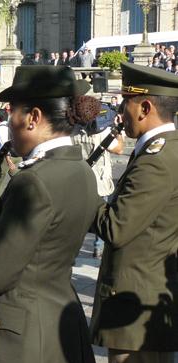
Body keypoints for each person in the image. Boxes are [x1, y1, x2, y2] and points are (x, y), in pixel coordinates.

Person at [0, 65, 99, 363]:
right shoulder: (81, 170)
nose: (8, 121)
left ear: (34, 118)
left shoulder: (32, 181)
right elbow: (36, 252)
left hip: (26, 333)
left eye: (12, 112)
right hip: (60, 320)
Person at [90, 62, 178, 363]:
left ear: (144, 106)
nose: (120, 112)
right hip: (144, 302)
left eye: (124, 102)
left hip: (137, 307)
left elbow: (117, 227)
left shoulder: (157, 158)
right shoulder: (164, 150)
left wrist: (81, 192)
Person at [72, 102, 124, 258]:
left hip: (79, 180)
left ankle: (73, 251)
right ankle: (98, 248)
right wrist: (119, 131)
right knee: (102, 216)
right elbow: (119, 149)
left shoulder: (72, 131)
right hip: (100, 181)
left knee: (77, 218)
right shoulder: (104, 132)